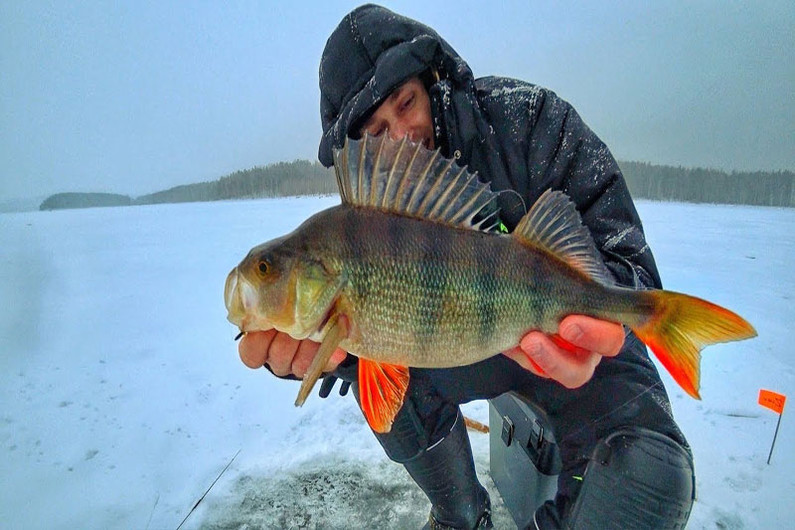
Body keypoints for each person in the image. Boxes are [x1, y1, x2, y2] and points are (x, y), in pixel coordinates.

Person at [240, 5, 695, 529]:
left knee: (652, 469)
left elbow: (628, 262)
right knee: (386, 387)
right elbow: (367, 327)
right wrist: (321, 350)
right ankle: (461, 515)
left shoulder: (532, 121)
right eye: (376, 131)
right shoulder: (362, 223)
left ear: (432, 80)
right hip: (453, 345)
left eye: (405, 103)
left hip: (572, 348)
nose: (401, 136)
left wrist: (597, 317)